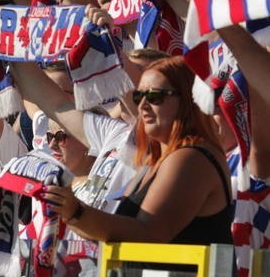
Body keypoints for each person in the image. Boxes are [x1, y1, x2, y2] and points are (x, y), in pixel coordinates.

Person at [43, 56, 233, 246]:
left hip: (184, 276)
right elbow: (114, 232)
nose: (142, 105)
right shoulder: (158, 159)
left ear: (186, 99)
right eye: (138, 96)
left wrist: (76, 212)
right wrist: (67, 208)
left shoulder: (192, 157)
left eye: (154, 96)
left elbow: (148, 233)